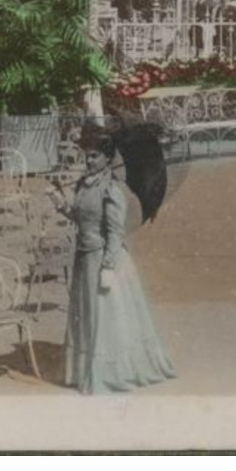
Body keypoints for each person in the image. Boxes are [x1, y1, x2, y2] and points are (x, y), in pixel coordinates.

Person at [49, 124, 177, 395]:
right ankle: (85, 370)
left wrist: (108, 267)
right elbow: (79, 217)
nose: (89, 161)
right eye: (87, 156)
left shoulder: (112, 190)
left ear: (108, 159)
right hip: (83, 260)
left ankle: (113, 372)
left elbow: (116, 233)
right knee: (88, 316)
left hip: (105, 261)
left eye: (94, 156)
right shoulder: (84, 184)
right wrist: (60, 202)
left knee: (106, 317)